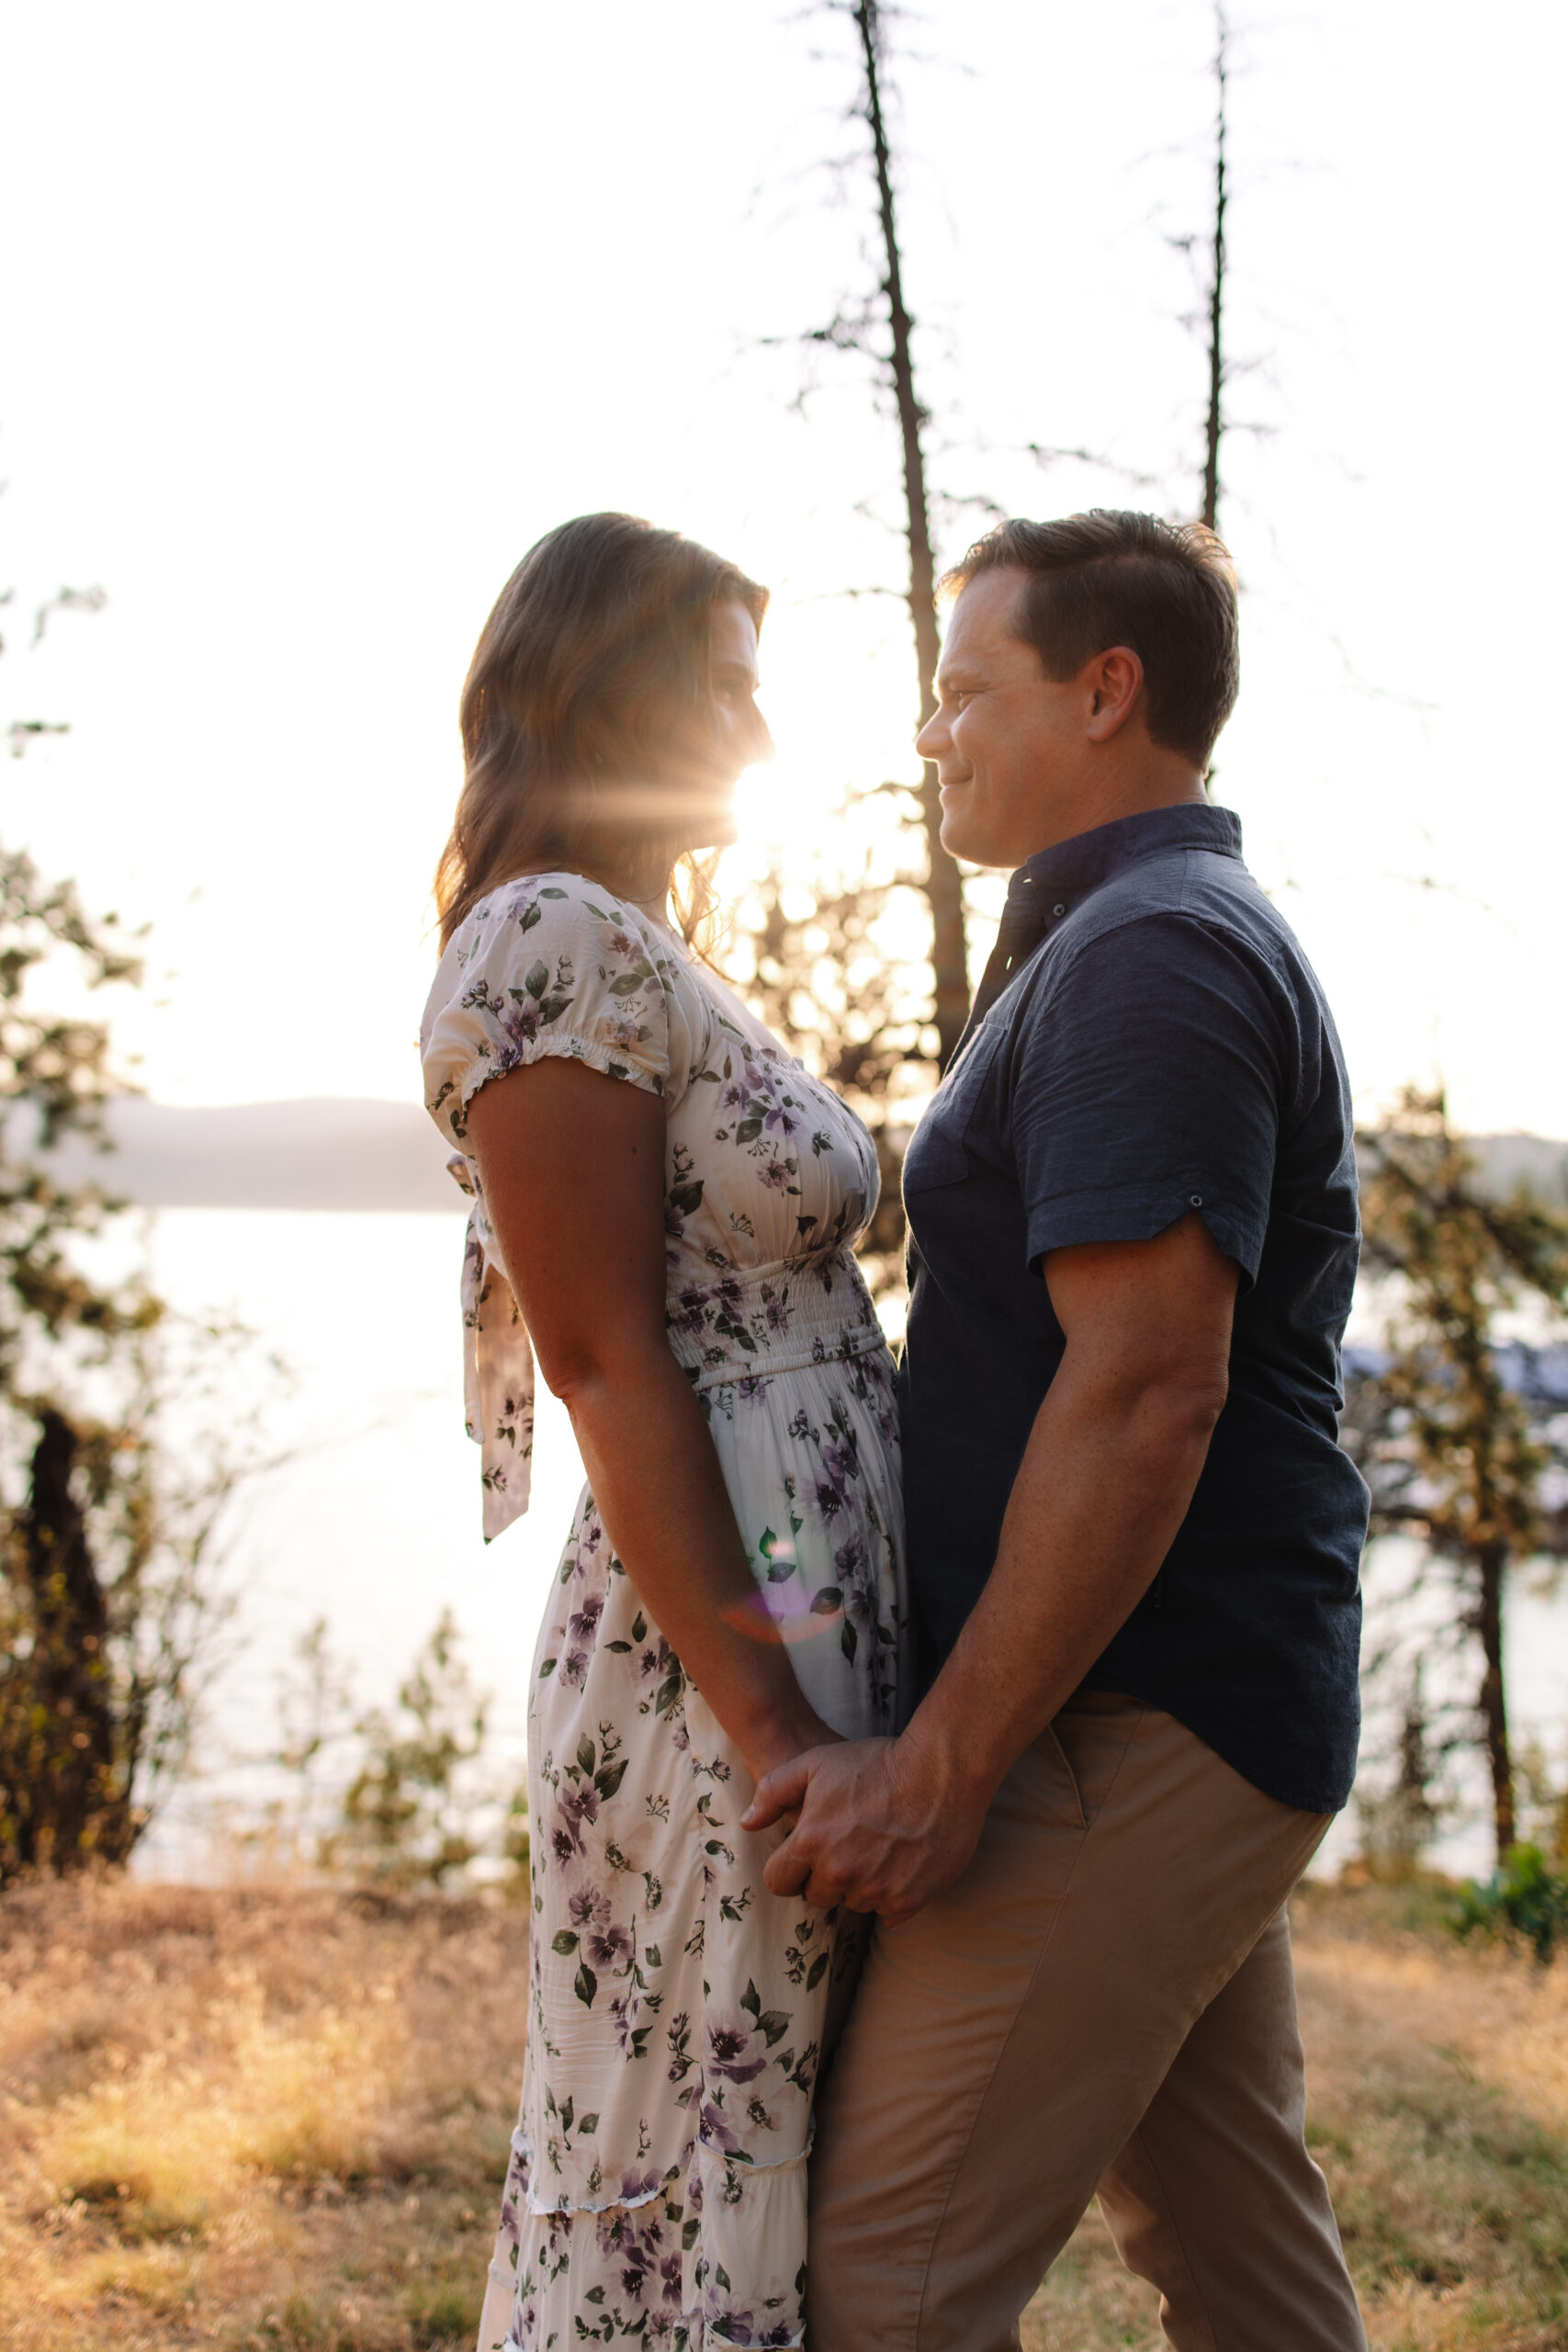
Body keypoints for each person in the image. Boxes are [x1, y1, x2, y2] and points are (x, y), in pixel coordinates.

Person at [745, 510, 1371, 2350]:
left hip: (1126, 1723)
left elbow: (1144, 1387)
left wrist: (942, 1760)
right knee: (1237, 2246)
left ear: (1105, 692)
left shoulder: (1151, 958)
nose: (929, 734)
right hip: (1175, 1699)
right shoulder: (1129, 936)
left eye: (960, 692)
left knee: (886, 2282)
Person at [421, 513, 907, 2352]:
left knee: (754, 2153)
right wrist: (772, 1720)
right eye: (722, 685)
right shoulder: (548, 938)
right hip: (707, 1689)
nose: (759, 735)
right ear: (602, 684)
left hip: (774, 1651)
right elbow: (604, 1360)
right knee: (674, 2167)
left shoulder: (632, 948)